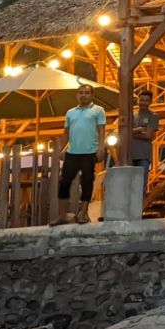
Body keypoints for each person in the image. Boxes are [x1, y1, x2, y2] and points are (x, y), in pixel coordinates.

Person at [52, 84, 106, 225]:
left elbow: (101, 130)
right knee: (64, 183)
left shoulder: (98, 110)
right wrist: (60, 149)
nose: (83, 95)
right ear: (77, 95)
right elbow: (66, 132)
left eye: (86, 93)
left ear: (92, 95)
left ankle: (82, 213)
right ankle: (62, 215)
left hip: (89, 152)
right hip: (72, 152)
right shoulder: (70, 112)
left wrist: (101, 148)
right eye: (80, 93)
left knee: (87, 182)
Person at [130, 89, 159, 195]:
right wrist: (139, 130)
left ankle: (140, 209)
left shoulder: (153, 116)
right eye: (141, 100)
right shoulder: (131, 115)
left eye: (146, 100)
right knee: (129, 185)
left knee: (141, 185)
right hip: (129, 155)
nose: (143, 102)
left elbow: (148, 135)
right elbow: (122, 132)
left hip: (143, 156)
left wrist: (131, 132)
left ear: (150, 102)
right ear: (137, 100)